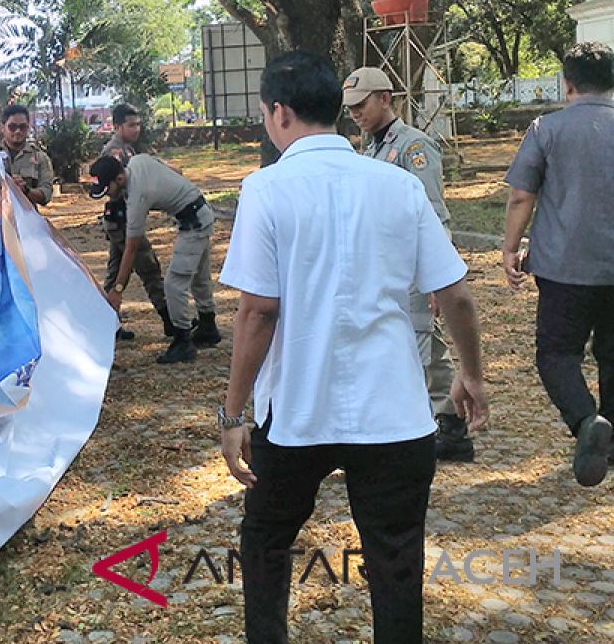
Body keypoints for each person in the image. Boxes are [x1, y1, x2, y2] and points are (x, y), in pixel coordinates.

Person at [218, 51, 488, 644]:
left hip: (294, 415)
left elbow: (258, 311)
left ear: (278, 112)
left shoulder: (265, 189)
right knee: (395, 561)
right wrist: (471, 373)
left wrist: (233, 414)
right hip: (393, 413)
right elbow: (457, 294)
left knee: (266, 540)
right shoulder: (397, 185)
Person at [343, 66, 474, 463]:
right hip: (387, 267)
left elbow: (435, 215)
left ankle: (407, 435)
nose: (354, 114)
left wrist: (439, 279)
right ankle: (452, 426)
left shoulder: (414, 147)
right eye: (348, 108)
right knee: (429, 347)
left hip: (414, 266)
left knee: (412, 349)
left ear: (386, 98)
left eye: (360, 104)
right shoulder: (371, 148)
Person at [503, 41, 614, 487]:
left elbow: (520, 195)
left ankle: (586, 422)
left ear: (566, 82)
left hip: (563, 267)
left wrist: (510, 247)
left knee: (556, 354)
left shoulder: (545, 130)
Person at [89, 152, 221, 364]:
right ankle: (208, 326)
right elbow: (176, 172)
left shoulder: (137, 198)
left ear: (120, 179)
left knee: (174, 284)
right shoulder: (138, 160)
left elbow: (131, 249)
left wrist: (118, 290)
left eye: (108, 189)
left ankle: (182, 340)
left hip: (193, 223)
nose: (107, 196)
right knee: (198, 276)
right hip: (200, 211)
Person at [98, 103, 172, 342]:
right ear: (117, 126)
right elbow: (117, 189)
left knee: (115, 273)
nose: (136, 129)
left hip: (123, 217)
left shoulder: (128, 150)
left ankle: (107, 322)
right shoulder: (115, 153)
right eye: (131, 125)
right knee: (148, 267)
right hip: (122, 218)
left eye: (138, 124)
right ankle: (170, 319)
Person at [0, 105, 54, 206]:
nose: (17, 131)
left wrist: (26, 191)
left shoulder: (40, 157)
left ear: (28, 128)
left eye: (22, 127)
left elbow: (46, 195)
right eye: (12, 127)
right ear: (2, 127)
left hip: (26, 217)